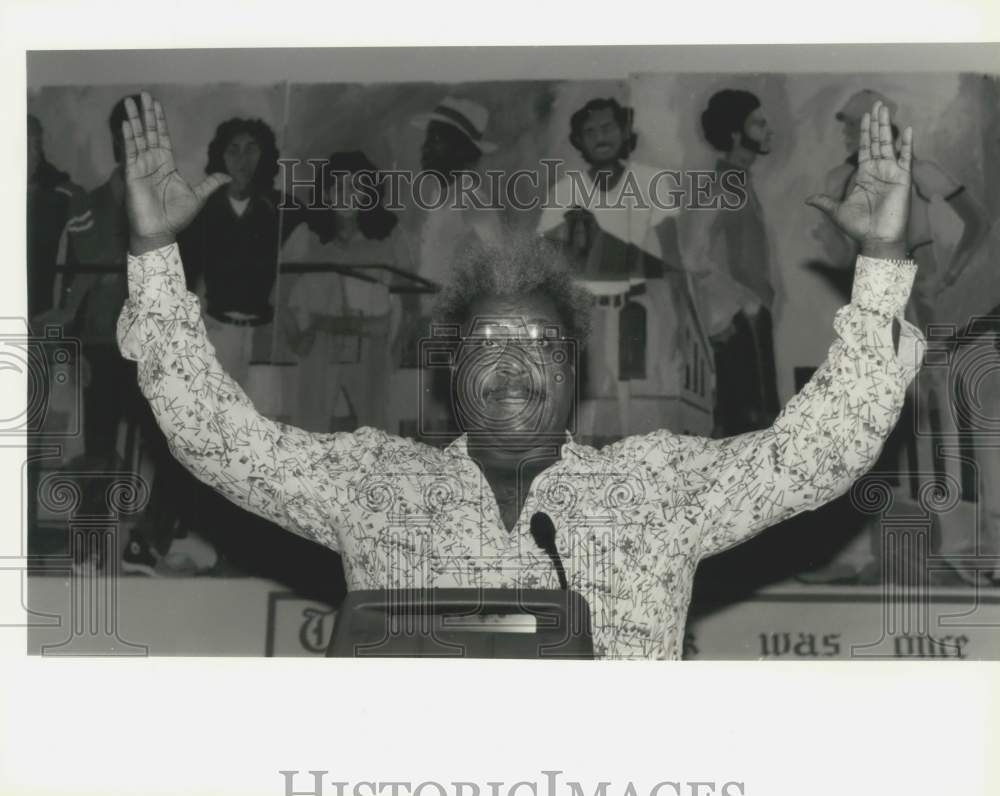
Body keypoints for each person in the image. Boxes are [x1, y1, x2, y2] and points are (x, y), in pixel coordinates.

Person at [119, 92, 924, 659]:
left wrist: (883, 261)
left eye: (539, 341)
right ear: (453, 368)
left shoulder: (655, 489)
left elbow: (816, 452)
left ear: (573, 368)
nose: (512, 359)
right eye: (488, 341)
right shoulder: (374, 484)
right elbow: (216, 437)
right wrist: (155, 254)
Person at [536, 98, 687, 441]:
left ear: (623, 131)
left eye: (607, 127)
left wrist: (678, 323)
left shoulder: (651, 182)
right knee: (586, 412)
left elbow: (673, 260)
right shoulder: (565, 190)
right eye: (589, 132)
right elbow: (544, 262)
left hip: (639, 312)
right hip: (584, 314)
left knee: (641, 411)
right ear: (579, 141)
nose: (599, 136)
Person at [813, 88, 990, 329]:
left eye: (854, 125)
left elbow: (978, 222)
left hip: (919, 298)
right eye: (846, 125)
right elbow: (842, 257)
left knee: (923, 348)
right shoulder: (839, 180)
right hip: (869, 303)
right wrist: (828, 237)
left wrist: (948, 277)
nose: (845, 132)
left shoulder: (920, 172)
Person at [281, 151, 412, 433]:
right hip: (320, 344)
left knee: (377, 433)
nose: (346, 195)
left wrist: (399, 346)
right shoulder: (307, 234)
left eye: (355, 186)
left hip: (371, 346)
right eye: (338, 186)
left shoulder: (389, 234)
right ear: (325, 193)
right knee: (309, 431)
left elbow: (412, 298)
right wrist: (294, 336)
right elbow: (279, 292)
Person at [689, 89, 781, 436]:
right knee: (745, 424)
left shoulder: (741, 183)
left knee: (761, 422)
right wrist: (741, 302)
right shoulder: (723, 186)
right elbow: (692, 256)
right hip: (738, 321)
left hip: (753, 317)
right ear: (735, 134)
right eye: (758, 123)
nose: (768, 130)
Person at [27, 114, 89, 321]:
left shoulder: (67, 197)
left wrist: (65, 313)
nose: (34, 154)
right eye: (24, 145)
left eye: (36, 145)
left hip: (45, 321)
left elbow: (88, 264)